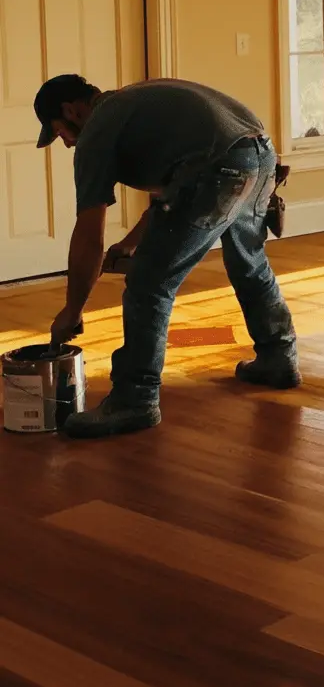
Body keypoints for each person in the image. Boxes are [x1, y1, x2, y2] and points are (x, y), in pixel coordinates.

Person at [33, 74, 301, 439]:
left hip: (220, 167)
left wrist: (73, 310)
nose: (64, 143)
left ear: (70, 111)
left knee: (148, 285)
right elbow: (176, 187)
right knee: (249, 262)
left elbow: (89, 234)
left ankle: (135, 398)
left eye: (59, 132)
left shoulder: (97, 130)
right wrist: (132, 241)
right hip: (259, 154)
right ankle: (278, 356)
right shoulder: (134, 104)